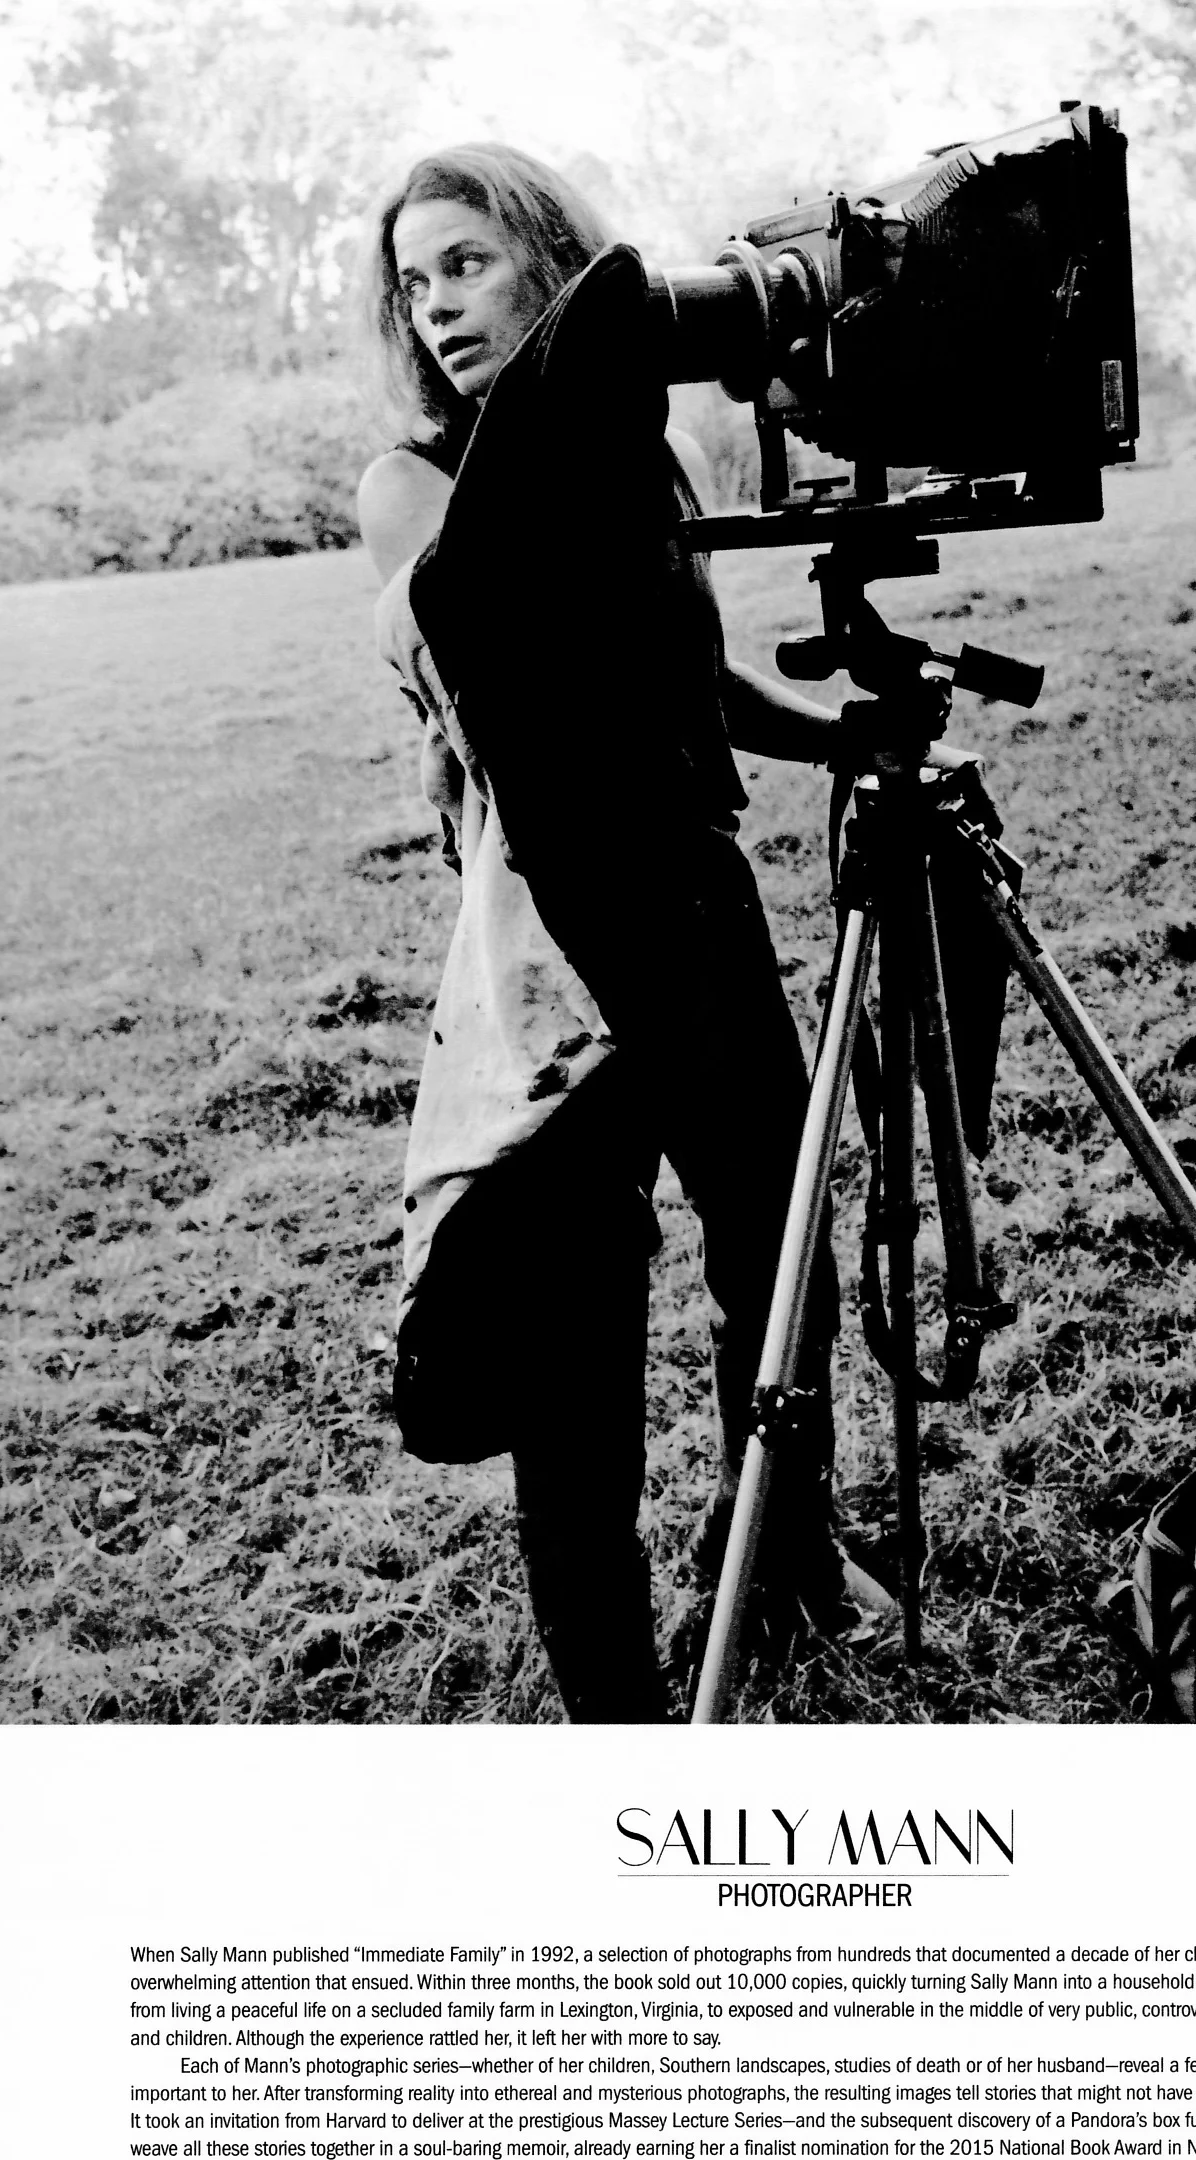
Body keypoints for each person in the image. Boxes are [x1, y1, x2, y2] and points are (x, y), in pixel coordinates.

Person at [357, 143, 905, 1723]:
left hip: (698, 900)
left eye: (467, 262)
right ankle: (620, 1712)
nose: (436, 305)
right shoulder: (418, 488)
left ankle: (783, 1553)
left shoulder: (637, 465)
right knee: (575, 1351)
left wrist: (833, 735)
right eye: (414, 282)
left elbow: (683, 682)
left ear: (546, 254)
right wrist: (601, 371)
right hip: (560, 952)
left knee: (775, 1255)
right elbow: (516, 645)